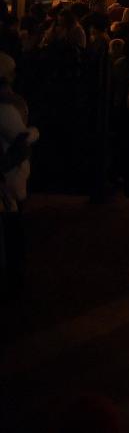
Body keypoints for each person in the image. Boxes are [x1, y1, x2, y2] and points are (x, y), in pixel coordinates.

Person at [0, 54, 36, 295]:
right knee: (12, 226)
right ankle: (13, 277)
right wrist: (33, 133)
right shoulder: (7, 109)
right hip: (8, 178)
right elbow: (21, 141)